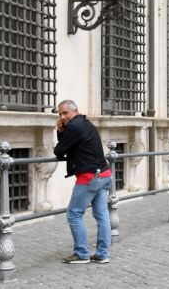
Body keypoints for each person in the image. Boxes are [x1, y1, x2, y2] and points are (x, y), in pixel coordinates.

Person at [54, 100, 112, 264]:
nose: (62, 117)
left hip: (90, 177)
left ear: (75, 111)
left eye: (65, 113)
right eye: (60, 114)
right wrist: (62, 131)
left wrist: (60, 131)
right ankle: (102, 254)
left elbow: (60, 150)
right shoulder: (86, 123)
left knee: (74, 214)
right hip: (104, 174)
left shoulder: (74, 126)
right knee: (102, 215)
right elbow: (68, 145)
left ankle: (81, 254)